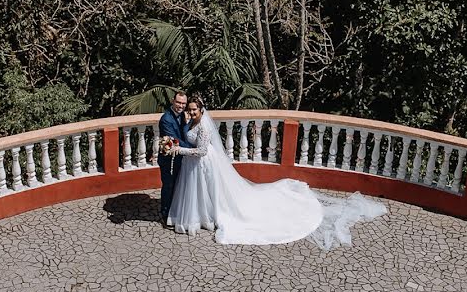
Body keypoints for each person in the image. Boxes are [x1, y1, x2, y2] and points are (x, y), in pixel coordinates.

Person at [167, 96, 387, 248]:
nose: (191, 111)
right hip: (193, 165)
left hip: (204, 162)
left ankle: (212, 215)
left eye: (194, 109)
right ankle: (204, 216)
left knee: (214, 192)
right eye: (189, 108)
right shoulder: (189, 121)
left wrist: (179, 149)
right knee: (201, 192)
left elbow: (203, 150)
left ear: (201, 110)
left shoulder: (204, 126)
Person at [157, 91, 193, 225]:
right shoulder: (166, 119)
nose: (181, 105)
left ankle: (175, 212)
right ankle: (165, 215)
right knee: (168, 186)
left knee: (178, 186)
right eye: (178, 102)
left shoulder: (184, 116)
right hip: (168, 160)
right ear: (173, 101)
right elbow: (175, 139)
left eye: (184, 103)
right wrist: (191, 149)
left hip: (180, 157)